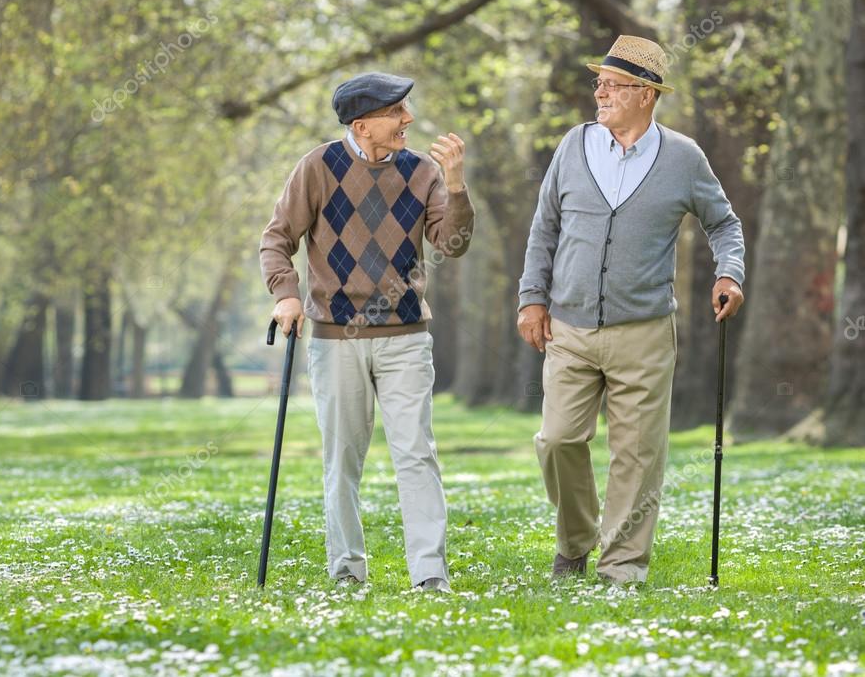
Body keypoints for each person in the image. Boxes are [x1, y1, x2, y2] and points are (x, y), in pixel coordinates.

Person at [517, 36, 746, 584]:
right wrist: (531, 298)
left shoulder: (684, 158)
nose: (599, 92)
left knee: (637, 456)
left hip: (643, 331)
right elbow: (544, 226)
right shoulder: (574, 145)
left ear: (645, 94)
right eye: (599, 82)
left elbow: (724, 223)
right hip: (569, 327)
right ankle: (575, 541)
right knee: (557, 441)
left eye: (612, 85)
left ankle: (621, 566)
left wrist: (729, 272)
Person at [260, 72, 475, 592]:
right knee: (343, 459)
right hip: (337, 337)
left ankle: (430, 573)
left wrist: (457, 186)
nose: (409, 119)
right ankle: (347, 572)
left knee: (416, 453)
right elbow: (277, 239)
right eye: (397, 112)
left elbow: (453, 244)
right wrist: (286, 294)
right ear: (362, 124)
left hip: (405, 335)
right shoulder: (318, 167)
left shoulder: (423, 170)